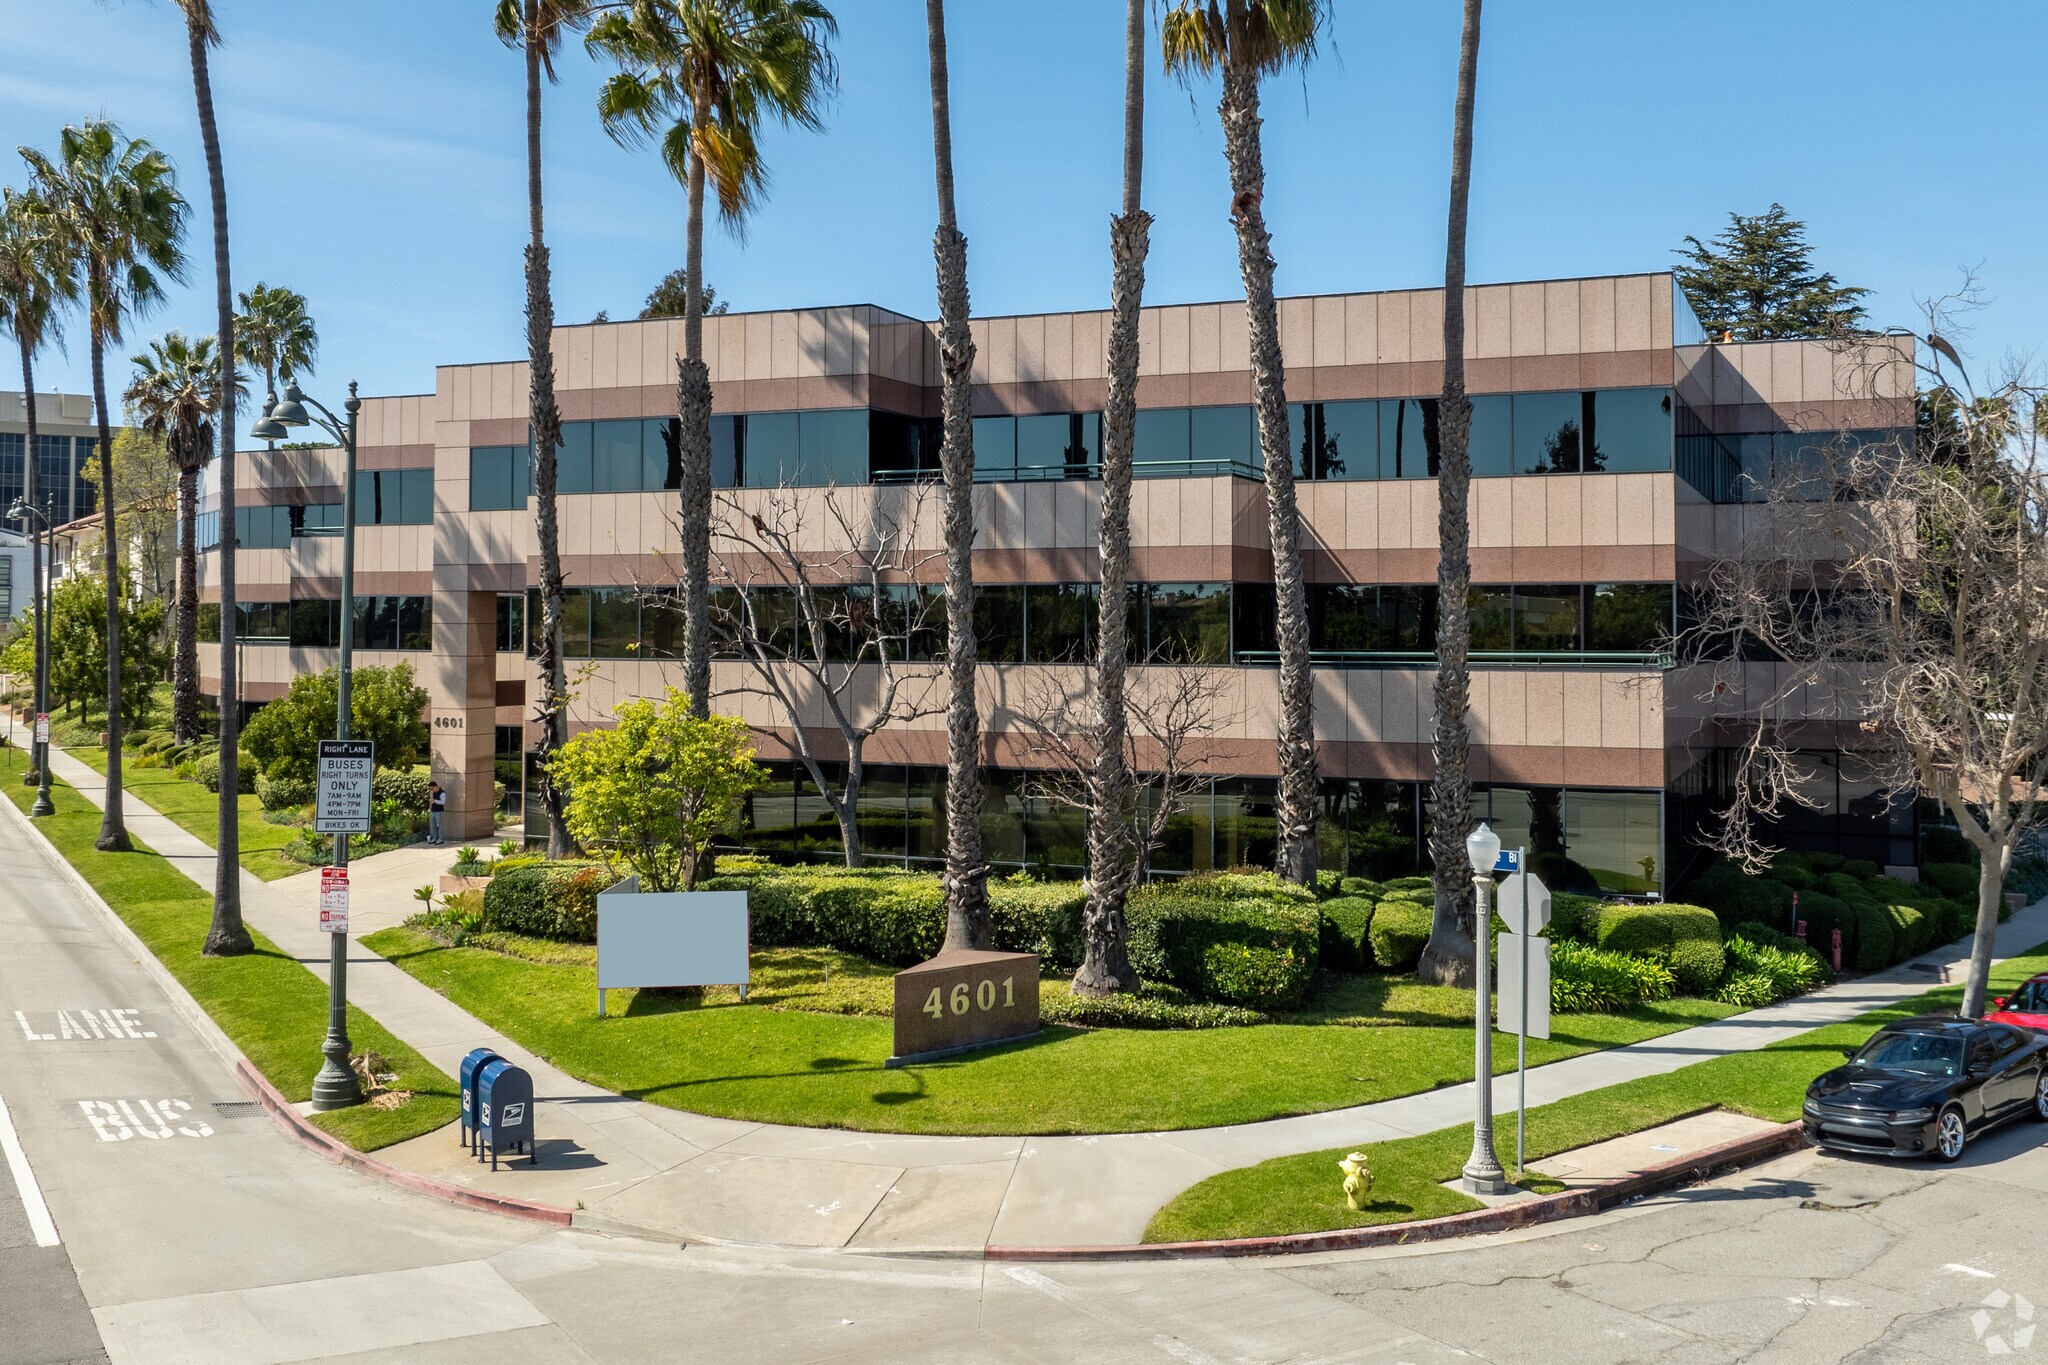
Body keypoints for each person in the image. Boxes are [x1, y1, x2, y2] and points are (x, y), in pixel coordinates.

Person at [428, 781, 446, 845]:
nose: (432, 790)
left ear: (435, 786)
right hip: (433, 810)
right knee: (433, 825)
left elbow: (443, 802)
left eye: (432, 789)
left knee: (439, 825)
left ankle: (440, 839)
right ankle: (435, 838)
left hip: (439, 811)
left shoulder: (442, 793)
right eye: (430, 789)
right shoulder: (434, 793)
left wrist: (434, 801)